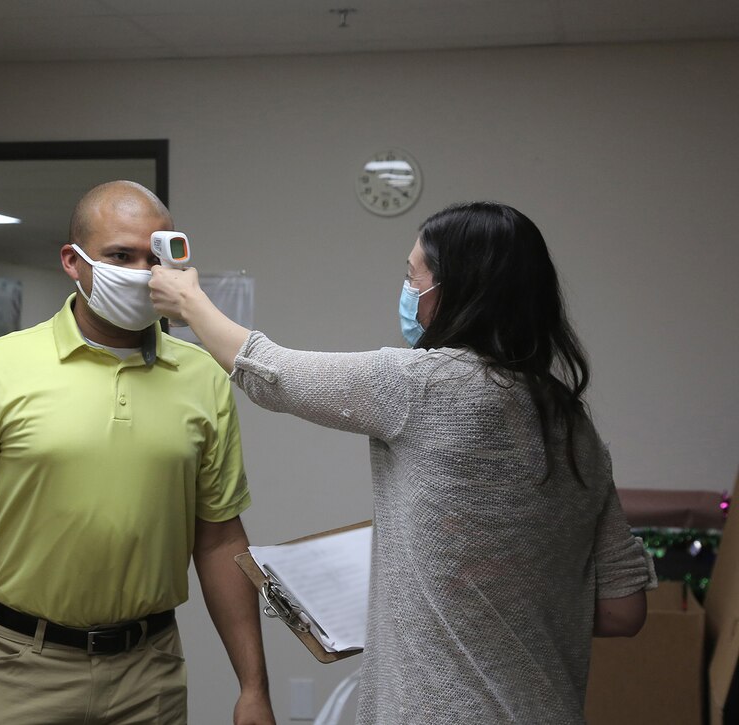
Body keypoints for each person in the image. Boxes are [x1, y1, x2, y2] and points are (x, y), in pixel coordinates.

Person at [149, 201, 657, 724]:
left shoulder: (425, 383)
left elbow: (274, 373)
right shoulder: (575, 426)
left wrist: (188, 300)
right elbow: (624, 610)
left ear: (456, 290)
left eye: (413, 276)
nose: (407, 291)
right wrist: (500, 598)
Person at [0, 180, 276, 725]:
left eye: (152, 256)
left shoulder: (203, 377)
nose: (139, 272)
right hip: (17, 667)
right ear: (73, 262)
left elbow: (221, 537)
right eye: (119, 255)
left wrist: (253, 688)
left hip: (147, 671)